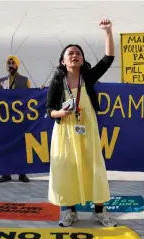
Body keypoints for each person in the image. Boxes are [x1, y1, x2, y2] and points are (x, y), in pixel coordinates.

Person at [46, 19, 117, 227]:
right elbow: (49, 110)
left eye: (78, 53)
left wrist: (108, 32)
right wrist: (60, 112)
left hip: (87, 128)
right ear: (63, 61)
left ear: (82, 58)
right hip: (65, 132)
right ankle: (70, 212)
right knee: (67, 169)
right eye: (70, 53)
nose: (75, 55)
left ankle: (99, 210)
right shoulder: (58, 81)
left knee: (93, 167)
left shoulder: (88, 77)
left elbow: (108, 58)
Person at [0, 55, 31, 183]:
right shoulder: (2, 81)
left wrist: (41, 91)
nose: (11, 65)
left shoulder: (25, 80)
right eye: (9, 63)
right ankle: (6, 173)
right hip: (6, 120)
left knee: (22, 146)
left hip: (20, 120)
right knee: (6, 147)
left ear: (17, 65)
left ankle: (22, 173)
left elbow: (30, 97)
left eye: (13, 63)